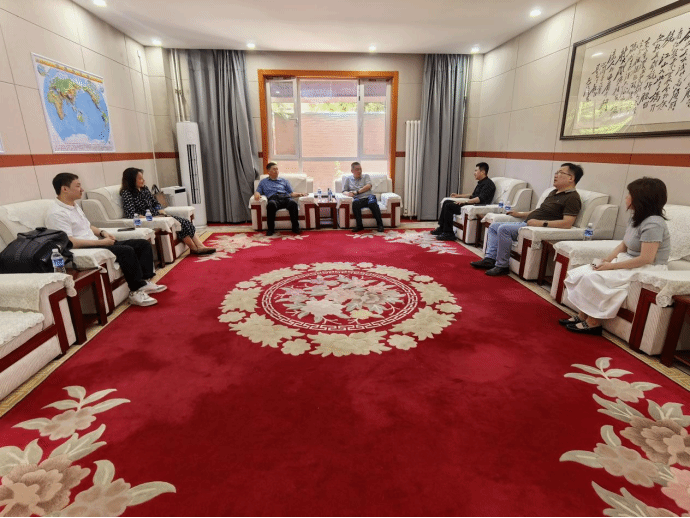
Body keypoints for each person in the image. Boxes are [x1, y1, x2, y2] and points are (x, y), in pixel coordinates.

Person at [560, 177, 671, 335]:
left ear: (641, 199)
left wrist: (611, 266)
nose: (626, 197)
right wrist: (606, 260)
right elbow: (623, 245)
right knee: (584, 272)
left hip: (647, 268)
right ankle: (582, 315)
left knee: (595, 278)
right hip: (630, 262)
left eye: (630, 194)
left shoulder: (654, 223)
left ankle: (594, 323)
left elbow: (647, 258)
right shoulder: (636, 217)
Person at [46, 173, 165, 307]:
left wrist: (103, 233)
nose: (82, 189)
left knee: (142, 244)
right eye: (78, 186)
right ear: (64, 189)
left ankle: (144, 282)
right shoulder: (57, 213)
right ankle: (135, 291)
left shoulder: (74, 206)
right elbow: (70, 242)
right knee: (127, 251)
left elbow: (88, 226)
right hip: (85, 247)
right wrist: (101, 242)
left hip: (96, 241)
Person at [471, 163, 584, 276]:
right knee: (493, 226)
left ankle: (502, 266)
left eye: (560, 173)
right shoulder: (554, 192)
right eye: (556, 172)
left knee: (504, 229)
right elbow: (539, 211)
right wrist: (520, 214)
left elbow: (567, 223)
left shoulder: (572, 197)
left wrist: (541, 223)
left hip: (536, 228)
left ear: (571, 178)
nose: (556, 175)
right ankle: (490, 259)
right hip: (528, 223)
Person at [120, 168, 215, 255]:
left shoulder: (144, 189)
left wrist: (161, 210)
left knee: (185, 221)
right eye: (140, 179)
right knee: (181, 223)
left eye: (143, 178)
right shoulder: (127, 193)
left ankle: (200, 246)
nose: (143, 180)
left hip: (158, 215)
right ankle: (194, 248)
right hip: (149, 219)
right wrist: (148, 217)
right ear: (131, 180)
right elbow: (130, 213)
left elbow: (155, 202)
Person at [432, 162, 496, 241]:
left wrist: (465, 202)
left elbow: (479, 199)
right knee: (447, 202)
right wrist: (458, 196)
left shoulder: (489, 184)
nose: (474, 173)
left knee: (449, 206)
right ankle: (442, 228)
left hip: (475, 207)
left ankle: (449, 233)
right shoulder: (481, 183)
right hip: (471, 204)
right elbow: (473, 195)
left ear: (483, 172)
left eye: (476, 170)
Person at [254, 162, 307, 236]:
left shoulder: (284, 181)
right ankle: (270, 229)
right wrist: (257, 195)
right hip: (274, 199)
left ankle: (295, 228)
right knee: (271, 204)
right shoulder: (263, 182)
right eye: (274, 169)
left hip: (285, 197)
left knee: (293, 203)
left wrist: (300, 194)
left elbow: (291, 193)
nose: (276, 171)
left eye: (277, 169)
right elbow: (257, 191)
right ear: (269, 171)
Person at [342, 162, 385, 233]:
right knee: (355, 203)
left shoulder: (366, 176)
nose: (359, 171)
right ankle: (359, 226)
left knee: (372, 203)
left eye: (360, 169)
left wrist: (357, 192)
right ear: (352, 171)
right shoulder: (348, 179)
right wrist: (348, 194)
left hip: (369, 197)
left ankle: (380, 225)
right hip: (359, 199)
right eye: (357, 169)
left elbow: (368, 186)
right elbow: (344, 191)